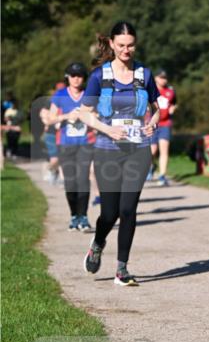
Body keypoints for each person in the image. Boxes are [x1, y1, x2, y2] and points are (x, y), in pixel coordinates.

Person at [79, 21, 160, 286]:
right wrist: (107, 129)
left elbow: (156, 108)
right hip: (107, 150)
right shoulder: (99, 76)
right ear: (112, 44)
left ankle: (122, 269)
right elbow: (84, 113)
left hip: (138, 150)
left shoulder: (144, 75)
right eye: (121, 45)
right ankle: (98, 242)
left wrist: (153, 122)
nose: (127, 50)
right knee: (109, 213)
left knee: (128, 210)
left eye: (131, 45)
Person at [42, 63, 96, 231]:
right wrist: (67, 116)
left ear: (84, 78)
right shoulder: (60, 95)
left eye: (79, 75)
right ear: (68, 77)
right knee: (70, 182)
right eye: (73, 75)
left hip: (86, 143)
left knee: (83, 180)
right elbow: (50, 119)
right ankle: (74, 216)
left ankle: (84, 217)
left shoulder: (89, 94)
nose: (76, 79)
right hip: (65, 144)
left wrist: (86, 116)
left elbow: (99, 115)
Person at [149, 69, 177, 186]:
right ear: (156, 78)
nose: (163, 80)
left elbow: (175, 102)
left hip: (165, 124)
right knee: (152, 151)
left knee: (164, 150)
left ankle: (162, 175)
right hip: (152, 124)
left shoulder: (170, 91)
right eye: (161, 77)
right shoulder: (150, 90)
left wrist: (173, 108)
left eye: (165, 78)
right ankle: (151, 166)